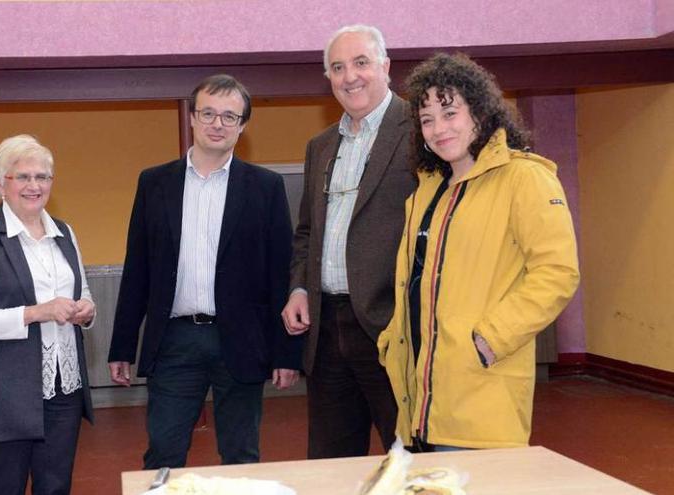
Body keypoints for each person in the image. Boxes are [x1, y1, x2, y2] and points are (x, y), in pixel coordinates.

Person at [378, 52, 580, 451]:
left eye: (450, 113)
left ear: (481, 113)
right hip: (416, 401)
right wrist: (393, 339)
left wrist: (491, 338)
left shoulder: (526, 178)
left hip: (480, 395)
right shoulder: (426, 190)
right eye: (427, 120)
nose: (439, 129)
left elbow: (557, 272)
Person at [108, 74, 303, 469]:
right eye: (209, 113)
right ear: (192, 118)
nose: (218, 124)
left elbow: (280, 274)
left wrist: (288, 354)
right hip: (175, 341)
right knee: (163, 451)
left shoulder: (265, 187)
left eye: (229, 117)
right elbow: (138, 269)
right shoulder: (155, 183)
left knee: (241, 454)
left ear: (243, 125)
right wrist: (122, 345)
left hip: (242, 340)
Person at [281, 24, 416, 458]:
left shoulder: (419, 132)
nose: (349, 76)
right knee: (330, 463)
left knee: (410, 458)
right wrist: (300, 286)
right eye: (337, 67)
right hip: (326, 330)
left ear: (386, 67)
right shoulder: (320, 146)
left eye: (361, 63)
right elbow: (307, 232)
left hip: (392, 327)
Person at [0, 135, 96, 494]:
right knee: (5, 487)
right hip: (6, 392)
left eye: (43, 177)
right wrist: (36, 313)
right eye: (23, 177)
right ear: (0, 184)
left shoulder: (65, 232)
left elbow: (85, 293)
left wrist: (87, 311)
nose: (35, 185)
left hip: (65, 387)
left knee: (55, 486)